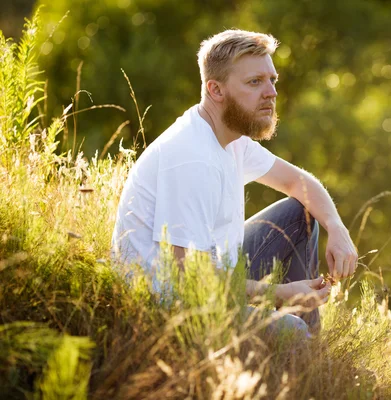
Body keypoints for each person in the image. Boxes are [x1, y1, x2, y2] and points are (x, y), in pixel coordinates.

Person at [111, 29, 358, 334]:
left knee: (302, 214)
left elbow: (299, 182)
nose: (271, 93)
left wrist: (337, 227)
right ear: (216, 90)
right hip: (174, 310)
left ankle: (311, 345)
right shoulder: (191, 158)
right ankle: (303, 343)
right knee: (290, 331)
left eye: (272, 80)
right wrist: (280, 294)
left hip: (214, 275)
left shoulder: (230, 138)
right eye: (255, 82)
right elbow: (193, 279)